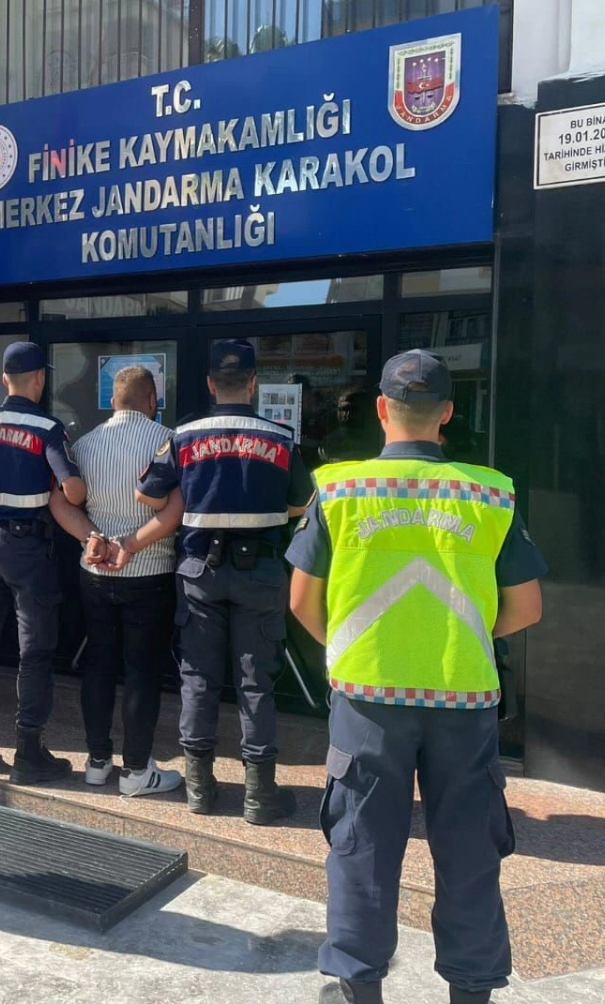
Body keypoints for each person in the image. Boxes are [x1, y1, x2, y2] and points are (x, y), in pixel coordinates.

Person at [286, 350, 546, 1004]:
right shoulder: (490, 493)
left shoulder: (339, 490)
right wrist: (461, 636)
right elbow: (526, 608)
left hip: (367, 700)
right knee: (469, 853)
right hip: (465, 700)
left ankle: (358, 988)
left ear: (381, 409)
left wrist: (350, 646)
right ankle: (472, 990)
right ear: (448, 413)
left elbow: (302, 601)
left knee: (362, 848)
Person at [126, 340, 312, 823]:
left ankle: (200, 792)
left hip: (199, 573)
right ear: (253, 384)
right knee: (256, 685)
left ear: (211, 384)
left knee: (198, 680)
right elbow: (301, 504)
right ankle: (259, 796)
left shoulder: (184, 435)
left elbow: (147, 495)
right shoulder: (280, 438)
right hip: (261, 574)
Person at [47, 365, 184, 798]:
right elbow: (175, 510)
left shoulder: (85, 444)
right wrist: (132, 543)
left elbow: (58, 501)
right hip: (149, 571)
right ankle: (137, 771)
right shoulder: (167, 440)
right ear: (152, 401)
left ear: (112, 401)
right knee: (142, 670)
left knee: (99, 664)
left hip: (95, 572)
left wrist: (92, 537)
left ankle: (97, 762)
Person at [0, 341, 87, 784]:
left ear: (3, 379)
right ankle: (29, 752)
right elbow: (73, 491)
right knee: (35, 648)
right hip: (27, 548)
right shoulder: (47, 427)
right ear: (40, 379)